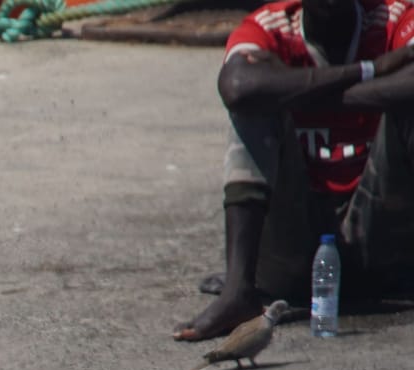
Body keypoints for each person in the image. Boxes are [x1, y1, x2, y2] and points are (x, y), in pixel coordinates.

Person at [176, 0, 414, 341]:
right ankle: (239, 290)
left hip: (384, 244)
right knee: (253, 107)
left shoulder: (395, 16)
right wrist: (370, 70)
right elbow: (238, 87)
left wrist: (301, 90)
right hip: (293, 253)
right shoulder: (269, 25)